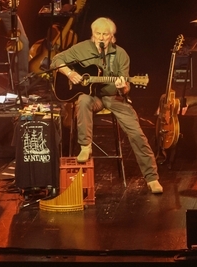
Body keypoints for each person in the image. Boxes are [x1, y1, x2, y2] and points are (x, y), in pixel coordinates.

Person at [51, 17, 163, 194]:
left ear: (112, 37)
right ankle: (85, 146)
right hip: (92, 97)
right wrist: (70, 73)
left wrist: (124, 86)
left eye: (105, 34)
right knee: (83, 100)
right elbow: (56, 60)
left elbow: (125, 89)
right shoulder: (82, 48)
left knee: (136, 133)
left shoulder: (120, 54)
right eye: (98, 34)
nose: (101, 37)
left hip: (114, 97)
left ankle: (152, 178)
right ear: (92, 34)